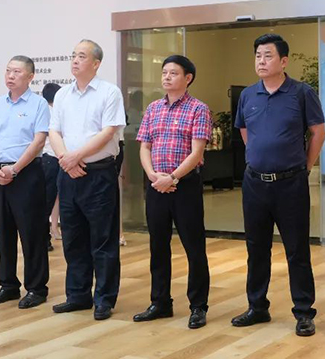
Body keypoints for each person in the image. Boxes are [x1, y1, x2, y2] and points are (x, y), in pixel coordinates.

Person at [232, 34, 325, 337]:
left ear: (283, 61)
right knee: (256, 248)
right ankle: (257, 306)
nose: (261, 61)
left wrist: (305, 167)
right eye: (258, 55)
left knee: (297, 249)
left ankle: (304, 312)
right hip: (255, 183)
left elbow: (318, 132)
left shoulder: (301, 92)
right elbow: (245, 131)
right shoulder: (248, 95)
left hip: (291, 183)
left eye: (268, 55)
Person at [133, 55, 212, 329]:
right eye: (164, 72)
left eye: (173, 73)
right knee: (158, 246)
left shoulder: (198, 109)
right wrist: (152, 175)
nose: (166, 77)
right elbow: (144, 146)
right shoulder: (153, 108)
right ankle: (160, 302)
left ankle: (198, 306)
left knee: (194, 247)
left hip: (184, 185)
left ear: (188, 78)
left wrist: (173, 177)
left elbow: (197, 152)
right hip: (156, 185)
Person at [49, 39, 126, 321]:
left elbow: (108, 132)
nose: (75, 60)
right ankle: (77, 295)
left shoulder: (109, 92)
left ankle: (104, 299)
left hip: (99, 174)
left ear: (96, 63)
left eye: (81, 56)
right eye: (73, 55)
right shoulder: (62, 95)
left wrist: (76, 156)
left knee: (103, 239)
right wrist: (65, 159)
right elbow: (54, 131)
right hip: (68, 173)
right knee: (73, 238)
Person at [0, 56, 51, 309]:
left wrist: (15, 168)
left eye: (17, 72)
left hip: (27, 173)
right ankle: (8, 285)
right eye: (8, 71)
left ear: (30, 77)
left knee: (32, 232)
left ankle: (36, 288)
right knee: (4, 231)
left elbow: (39, 140)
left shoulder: (38, 104)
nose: (10, 76)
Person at [41, 82, 62, 251]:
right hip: (52, 159)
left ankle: (45, 237)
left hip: (47, 159)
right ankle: (43, 239)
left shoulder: (45, 111)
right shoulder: (54, 112)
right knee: (47, 201)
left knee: (46, 201)